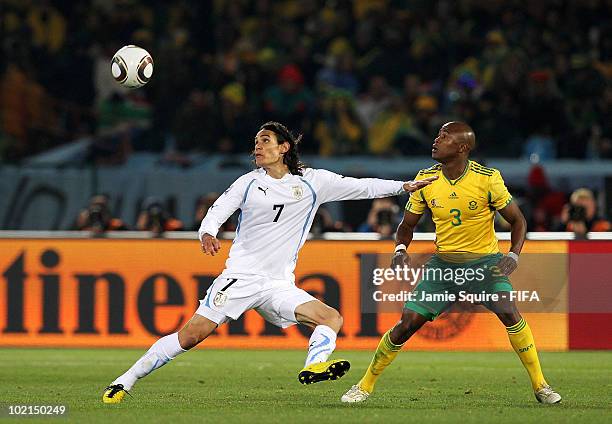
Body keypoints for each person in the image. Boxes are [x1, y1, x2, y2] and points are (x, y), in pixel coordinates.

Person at [102, 121, 436, 403]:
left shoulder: (313, 182)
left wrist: (404, 186)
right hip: (241, 277)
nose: (257, 147)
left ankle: (314, 366)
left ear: (284, 148)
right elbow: (220, 207)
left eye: (265, 141)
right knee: (190, 337)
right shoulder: (249, 182)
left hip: (278, 284)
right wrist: (207, 231)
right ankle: (124, 380)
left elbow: (360, 187)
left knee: (330, 317)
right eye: (256, 142)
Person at [341, 121, 562, 405]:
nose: (436, 140)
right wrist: (399, 248)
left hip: (485, 264)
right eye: (437, 135)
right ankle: (364, 385)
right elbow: (407, 225)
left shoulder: (488, 179)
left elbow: (518, 220)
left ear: (462, 148)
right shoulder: (426, 180)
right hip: (443, 267)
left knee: (509, 311)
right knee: (407, 323)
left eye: (444, 137)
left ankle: (541, 385)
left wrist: (513, 254)